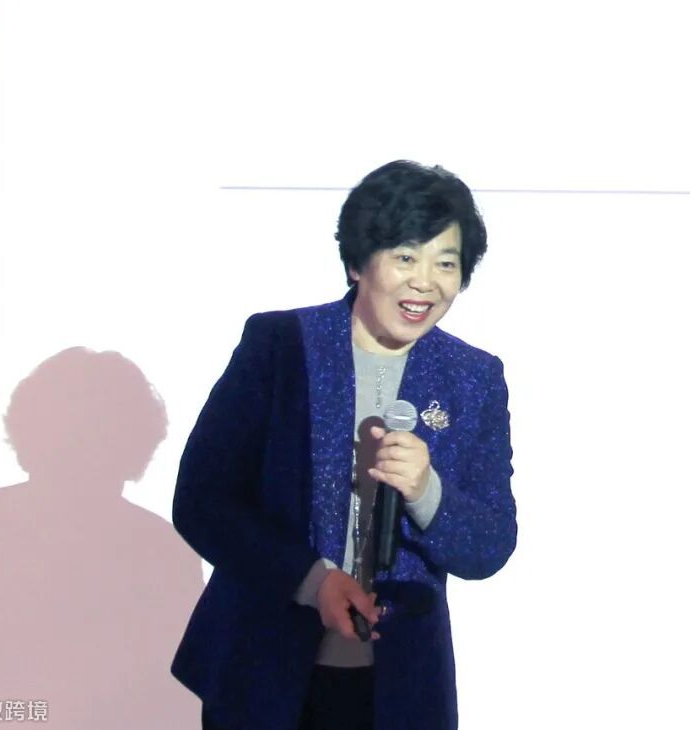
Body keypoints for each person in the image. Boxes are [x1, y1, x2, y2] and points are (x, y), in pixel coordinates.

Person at [170, 160, 517, 730]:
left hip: (400, 687)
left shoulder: (473, 378)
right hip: (263, 669)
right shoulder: (281, 346)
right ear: (358, 263)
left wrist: (426, 492)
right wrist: (312, 581)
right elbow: (203, 502)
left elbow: (491, 546)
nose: (425, 281)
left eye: (445, 263)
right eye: (405, 258)